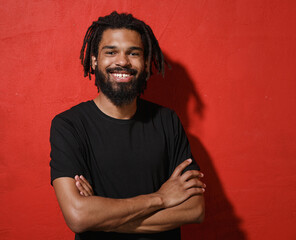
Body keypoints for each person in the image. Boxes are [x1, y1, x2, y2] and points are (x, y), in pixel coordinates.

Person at [50, 11, 206, 240]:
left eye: (133, 53)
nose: (122, 61)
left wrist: (102, 219)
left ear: (144, 62)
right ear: (94, 59)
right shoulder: (69, 126)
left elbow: (195, 209)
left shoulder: (167, 121)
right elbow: (78, 216)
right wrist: (160, 198)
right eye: (111, 52)